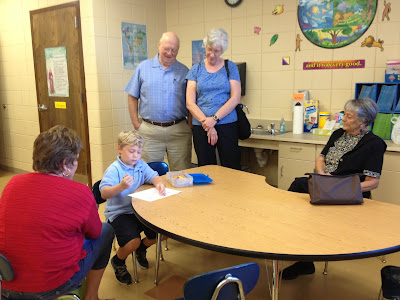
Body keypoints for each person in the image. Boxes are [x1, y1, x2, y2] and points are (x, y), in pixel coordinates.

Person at [0, 125, 114, 300]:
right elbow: (94, 232)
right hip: (52, 288)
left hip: (8, 283)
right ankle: (92, 297)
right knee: (106, 231)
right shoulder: (80, 192)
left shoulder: (12, 183)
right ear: (64, 165)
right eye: (75, 160)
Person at [282, 98, 387, 280]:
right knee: (298, 189)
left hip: (347, 192)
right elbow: (321, 158)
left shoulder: (374, 144)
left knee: (309, 215)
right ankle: (297, 251)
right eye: (344, 114)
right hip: (325, 186)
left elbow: (372, 182)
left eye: (349, 116)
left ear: (363, 122)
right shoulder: (338, 133)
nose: (343, 119)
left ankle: (305, 259)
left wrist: (338, 187)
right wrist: (322, 176)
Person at [100, 130, 166, 285]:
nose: (135, 155)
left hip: (140, 209)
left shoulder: (140, 165)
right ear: (120, 149)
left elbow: (154, 176)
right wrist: (121, 186)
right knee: (132, 242)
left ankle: (141, 248)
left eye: (139, 152)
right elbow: (104, 193)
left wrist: (159, 184)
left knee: (164, 232)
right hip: (120, 213)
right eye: (131, 151)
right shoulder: (114, 169)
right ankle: (118, 261)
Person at [125, 32, 191, 171]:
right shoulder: (143, 68)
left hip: (178, 130)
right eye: (166, 48)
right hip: (150, 131)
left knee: (181, 174)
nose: (169, 53)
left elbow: (192, 100)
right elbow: (132, 96)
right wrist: (136, 123)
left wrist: (189, 124)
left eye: (174, 50)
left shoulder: (184, 71)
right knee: (148, 173)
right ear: (159, 45)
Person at [186, 28, 241, 170]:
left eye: (216, 51)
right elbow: (190, 102)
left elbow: (235, 98)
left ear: (222, 50)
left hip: (227, 124)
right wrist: (207, 123)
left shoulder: (231, 67)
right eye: (209, 49)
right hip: (201, 126)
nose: (212, 55)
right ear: (205, 46)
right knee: (205, 168)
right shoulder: (196, 69)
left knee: (231, 168)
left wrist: (214, 119)